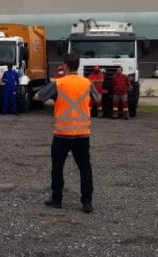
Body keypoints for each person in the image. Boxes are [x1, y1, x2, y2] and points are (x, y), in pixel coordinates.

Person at [34, 53, 100, 214]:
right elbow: (97, 98)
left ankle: (57, 199)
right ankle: (87, 202)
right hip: (82, 134)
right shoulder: (87, 83)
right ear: (78, 66)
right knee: (85, 168)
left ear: (65, 66)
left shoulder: (58, 83)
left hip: (62, 134)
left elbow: (38, 97)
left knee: (58, 167)